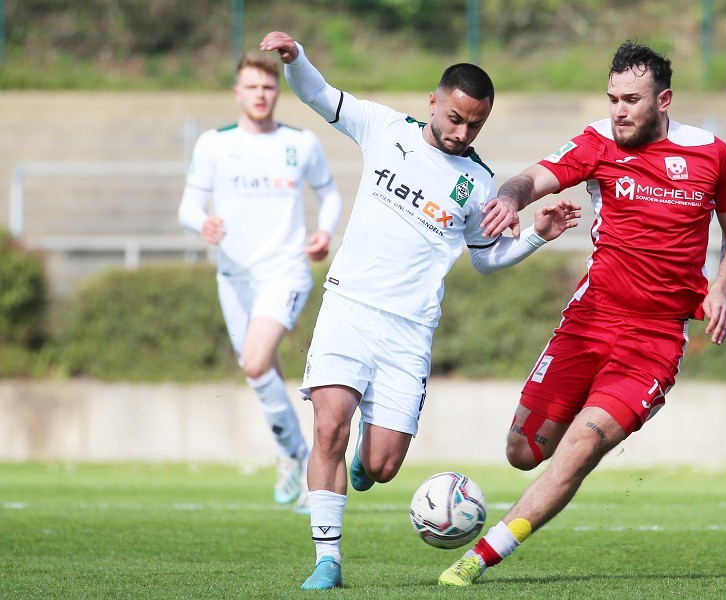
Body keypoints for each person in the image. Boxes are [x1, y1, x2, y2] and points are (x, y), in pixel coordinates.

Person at [259, 31, 581, 590]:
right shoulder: (385, 129)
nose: (462, 133)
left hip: (409, 330)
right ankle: (327, 560)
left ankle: (366, 462)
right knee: (329, 426)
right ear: (434, 101)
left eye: (474, 125)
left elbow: (485, 259)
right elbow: (321, 96)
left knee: (382, 466)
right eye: (455, 118)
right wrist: (297, 59)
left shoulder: (479, 181)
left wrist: (536, 235)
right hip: (349, 305)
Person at [438, 40, 726, 586]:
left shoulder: (712, 155)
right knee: (522, 451)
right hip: (589, 320)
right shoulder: (598, 141)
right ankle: (566, 451)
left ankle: (477, 560)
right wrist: (512, 200)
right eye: (612, 99)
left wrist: (721, 289)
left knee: (580, 445)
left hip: (653, 343)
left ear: (665, 100)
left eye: (631, 100)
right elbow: (531, 178)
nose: (619, 111)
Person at [178, 51, 343, 514]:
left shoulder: (301, 143)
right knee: (263, 368)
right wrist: (201, 224)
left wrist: (324, 231)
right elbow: (188, 206)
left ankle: (299, 455)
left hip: (285, 269)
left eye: (268, 87)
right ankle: (292, 454)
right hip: (234, 276)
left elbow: (329, 194)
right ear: (238, 92)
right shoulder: (214, 144)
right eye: (251, 87)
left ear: (277, 91)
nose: (260, 94)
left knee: (254, 362)